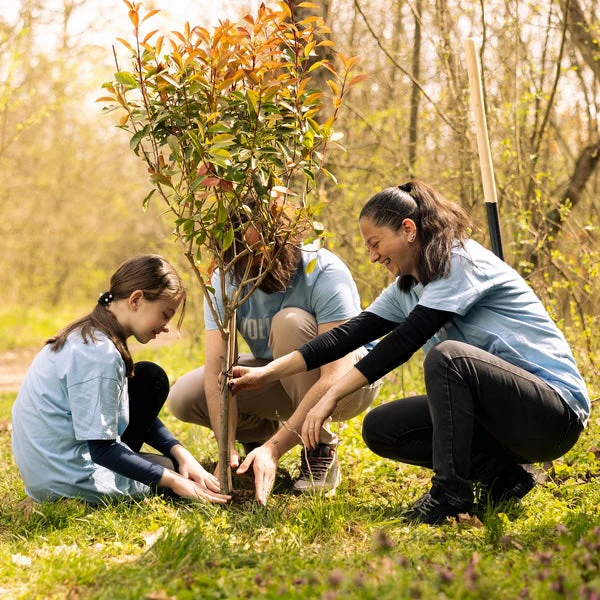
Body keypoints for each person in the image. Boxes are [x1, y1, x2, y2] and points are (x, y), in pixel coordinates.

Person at [229, 181, 590, 524]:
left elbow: (403, 342)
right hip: (504, 418)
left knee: (449, 358)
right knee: (382, 429)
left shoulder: (460, 261)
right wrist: (268, 371)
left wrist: (331, 395)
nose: (372, 257)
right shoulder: (409, 285)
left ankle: (450, 496)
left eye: (375, 243)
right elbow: (349, 334)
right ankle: (504, 476)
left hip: (552, 416)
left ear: (407, 229)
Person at [168, 206, 382, 504]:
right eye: (245, 254)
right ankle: (257, 438)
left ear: (287, 240)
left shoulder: (322, 270)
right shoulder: (227, 278)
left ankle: (318, 447)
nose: (256, 264)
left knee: (289, 322)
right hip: (281, 378)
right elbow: (218, 369)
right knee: (184, 397)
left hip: (349, 383)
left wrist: (275, 450)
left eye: (263, 251)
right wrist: (225, 450)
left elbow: (335, 373)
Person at [11, 254, 230, 505]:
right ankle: (71, 498)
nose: (166, 326)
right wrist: (174, 480)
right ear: (136, 300)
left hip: (49, 470)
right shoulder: (100, 355)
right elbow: (103, 450)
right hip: (65, 478)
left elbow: (117, 408)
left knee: (149, 379)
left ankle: (165, 467)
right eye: (165, 314)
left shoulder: (90, 335)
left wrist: (179, 452)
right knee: (174, 480)